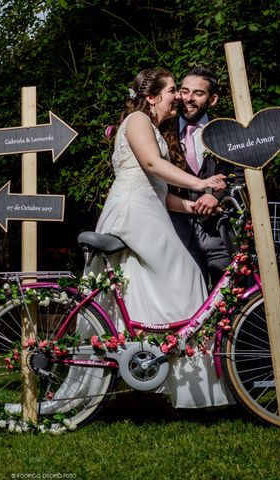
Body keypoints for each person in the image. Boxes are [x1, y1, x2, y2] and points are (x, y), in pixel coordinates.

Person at [91, 68, 233, 409]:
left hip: (148, 209)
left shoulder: (153, 127)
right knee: (186, 278)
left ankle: (147, 367)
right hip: (132, 213)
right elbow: (153, 165)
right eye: (173, 90)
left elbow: (161, 192)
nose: (179, 97)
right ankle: (188, 382)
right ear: (152, 96)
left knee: (137, 290)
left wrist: (193, 205)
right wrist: (201, 184)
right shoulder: (138, 120)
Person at [170, 66, 243, 288]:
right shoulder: (163, 131)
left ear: (212, 100)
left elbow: (241, 176)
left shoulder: (226, 133)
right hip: (176, 233)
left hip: (219, 234)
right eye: (184, 91)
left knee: (229, 298)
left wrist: (217, 196)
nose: (188, 99)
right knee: (185, 302)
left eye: (198, 93)